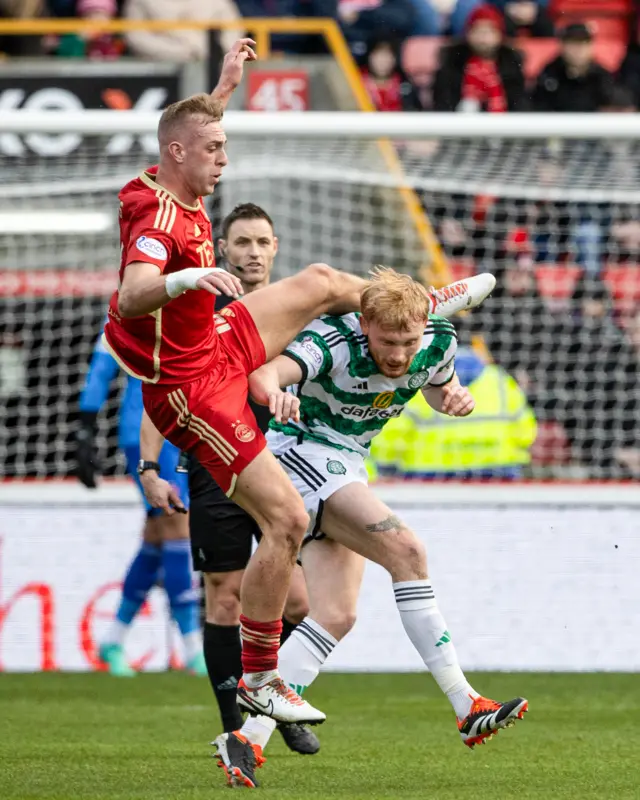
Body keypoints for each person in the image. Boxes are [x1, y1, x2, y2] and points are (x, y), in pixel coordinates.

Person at [105, 36, 496, 726]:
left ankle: (420, 305)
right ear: (178, 155)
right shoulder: (155, 216)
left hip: (218, 344)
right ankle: (261, 681)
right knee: (285, 519)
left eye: (224, 146)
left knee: (317, 282)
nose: (225, 160)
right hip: (189, 385)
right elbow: (134, 294)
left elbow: (191, 127)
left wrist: (224, 87)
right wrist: (190, 277)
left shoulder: (176, 174)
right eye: (215, 150)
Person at [214, 268, 527, 787]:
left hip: (348, 464)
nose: (400, 354)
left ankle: (245, 739)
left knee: (335, 615)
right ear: (365, 323)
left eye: (409, 341)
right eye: (388, 341)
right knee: (406, 551)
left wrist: (452, 400)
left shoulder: (437, 341)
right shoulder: (334, 339)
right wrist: (275, 393)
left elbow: (436, 387)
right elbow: (267, 372)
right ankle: (466, 703)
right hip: (299, 452)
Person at [185, 202, 320, 755]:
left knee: (298, 605)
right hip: (214, 462)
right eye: (242, 242)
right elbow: (158, 389)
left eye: (262, 242)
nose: (253, 253)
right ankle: (234, 728)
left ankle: (269, 700)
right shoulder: (199, 309)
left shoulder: (293, 308)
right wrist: (148, 467)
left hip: (281, 460)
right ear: (224, 249)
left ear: (276, 247)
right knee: (224, 596)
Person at [76, 329, 202, 676]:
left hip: (187, 427)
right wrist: (86, 427)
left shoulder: (193, 298)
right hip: (147, 431)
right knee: (177, 522)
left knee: (158, 536)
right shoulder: (128, 307)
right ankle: (193, 648)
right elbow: (102, 366)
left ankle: (114, 639)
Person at [370, 345, 537, 479]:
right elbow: (526, 432)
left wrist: (387, 468)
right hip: (499, 471)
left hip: (427, 474)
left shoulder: (415, 381)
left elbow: (392, 435)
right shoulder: (500, 380)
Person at [432, 3, 527, 112]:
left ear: (500, 35)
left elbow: (519, 103)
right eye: (478, 31)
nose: (483, 38)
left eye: (489, 32)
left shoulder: (511, 64)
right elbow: (443, 103)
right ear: (468, 34)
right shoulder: (452, 63)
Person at [533, 23, 614, 113]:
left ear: (591, 47)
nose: (578, 49)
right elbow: (538, 107)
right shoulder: (550, 74)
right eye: (573, 43)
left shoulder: (602, 76)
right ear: (562, 46)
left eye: (583, 43)